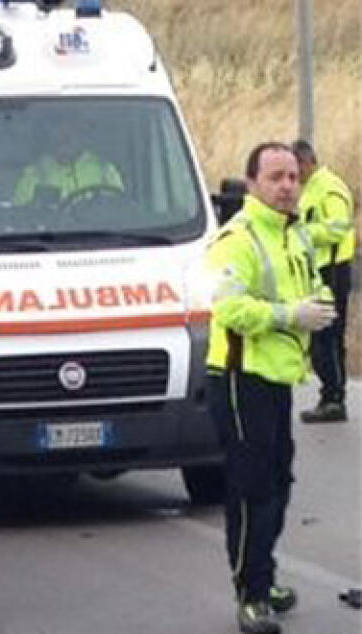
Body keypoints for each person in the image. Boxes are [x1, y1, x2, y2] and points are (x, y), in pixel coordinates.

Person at [204, 142, 337, 634]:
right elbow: (227, 308)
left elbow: (309, 281)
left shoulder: (295, 233)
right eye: (276, 177)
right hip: (241, 379)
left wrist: (320, 304)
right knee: (252, 490)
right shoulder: (238, 237)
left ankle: (264, 574)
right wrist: (289, 315)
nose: (286, 186)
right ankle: (252, 594)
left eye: (292, 177)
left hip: (279, 378)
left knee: (280, 485)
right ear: (253, 183)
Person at [291, 139, 355, 423]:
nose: (294, 177)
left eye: (295, 170)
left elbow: (339, 227)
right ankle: (329, 396)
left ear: (306, 162)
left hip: (332, 271)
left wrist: (304, 233)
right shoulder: (313, 187)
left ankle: (334, 399)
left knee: (327, 339)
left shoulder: (329, 187)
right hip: (319, 272)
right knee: (322, 338)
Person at [13, 123, 124, 205]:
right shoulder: (34, 173)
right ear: (51, 138)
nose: (63, 141)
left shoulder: (104, 169)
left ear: (81, 137)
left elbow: (119, 208)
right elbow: (21, 217)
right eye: (59, 136)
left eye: (68, 137)